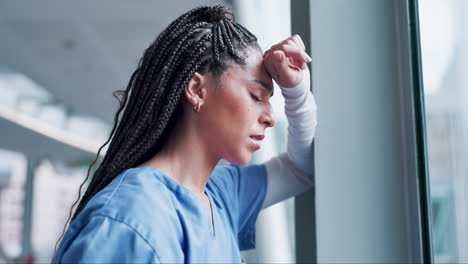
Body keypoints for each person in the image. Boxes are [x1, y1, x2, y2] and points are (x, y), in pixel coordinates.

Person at [52, 3, 317, 263]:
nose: (270, 118)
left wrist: (296, 91)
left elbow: (301, 169)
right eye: (256, 96)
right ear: (197, 90)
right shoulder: (132, 219)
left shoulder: (220, 194)